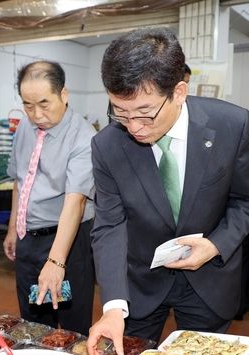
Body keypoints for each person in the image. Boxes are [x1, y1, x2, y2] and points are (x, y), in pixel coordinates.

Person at [87, 27, 249, 355]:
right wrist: (113, 306)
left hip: (210, 279)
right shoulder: (107, 145)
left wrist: (216, 245)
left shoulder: (233, 126)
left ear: (178, 92)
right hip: (139, 284)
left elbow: (245, 200)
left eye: (145, 114)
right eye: (119, 112)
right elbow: (109, 225)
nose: (133, 127)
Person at [3, 60, 95, 336]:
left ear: (63, 94)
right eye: (28, 105)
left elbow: (75, 202)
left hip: (67, 239)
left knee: (70, 327)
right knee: (33, 323)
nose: (36, 114)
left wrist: (56, 262)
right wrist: (12, 229)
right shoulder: (24, 128)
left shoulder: (83, 136)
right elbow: (21, 181)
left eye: (44, 103)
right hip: (28, 239)